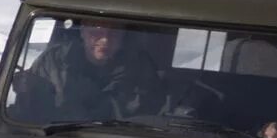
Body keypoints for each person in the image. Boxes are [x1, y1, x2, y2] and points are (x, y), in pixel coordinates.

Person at [10, 20, 167, 122]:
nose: (105, 40)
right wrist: (25, 87)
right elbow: (26, 112)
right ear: (83, 32)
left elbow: (154, 116)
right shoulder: (53, 62)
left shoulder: (139, 68)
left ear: (123, 36)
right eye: (96, 31)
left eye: (114, 33)